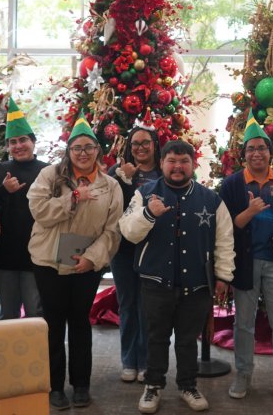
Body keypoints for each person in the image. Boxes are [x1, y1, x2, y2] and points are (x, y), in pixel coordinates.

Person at [120, 140, 236, 414]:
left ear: (193, 165)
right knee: (156, 337)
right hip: (155, 281)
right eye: (171, 160)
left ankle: (187, 385)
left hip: (196, 284)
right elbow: (127, 231)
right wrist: (149, 214)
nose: (177, 166)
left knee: (187, 340)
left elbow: (224, 239)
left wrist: (223, 275)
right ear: (162, 164)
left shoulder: (211, 199)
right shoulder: (143, 194)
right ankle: (153, 386)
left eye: (184, 161)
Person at [27, 118, 123, 411]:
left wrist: (92, 258)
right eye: (77, 148)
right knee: (53, 324)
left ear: (97, 150)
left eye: (89, 147)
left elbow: (113, 229)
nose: (83, 153)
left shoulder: (110, 186)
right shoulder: (49, 176)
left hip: (85, 265)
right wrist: (74, 197)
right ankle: (55, 387)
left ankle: (81, 385)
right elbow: (39, 211)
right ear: (68, 151)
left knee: (80, 323)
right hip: (48, 262)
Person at [219, 110, 273, 407]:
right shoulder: (231, 186)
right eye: (251, 148)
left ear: (270, 151)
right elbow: (225, 227)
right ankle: (243, 374)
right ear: (243, 154)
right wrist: (249, 212)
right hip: (245, 264)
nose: (257, 153)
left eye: (262, 147)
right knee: (243, 323)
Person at [0, 99, 46, 319]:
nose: (18, 146)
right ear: (7, 146)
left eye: (23, 140)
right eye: (13, 142)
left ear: (33, 142)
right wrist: (2, 190)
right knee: (7, 314)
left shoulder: (48, 171)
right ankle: (6, 355)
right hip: (3, 256)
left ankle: (35, 355)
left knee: (34, 314)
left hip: (37, 255)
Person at [109, 123, 161, 383]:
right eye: (135, 144)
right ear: (129, 148)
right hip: (123, 250)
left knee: (148, 307)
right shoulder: (116, 173)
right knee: (128, 304)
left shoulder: (164, 172)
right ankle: (129, 360)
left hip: (154, 250)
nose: (140, 148)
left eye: (145, 143)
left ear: (154, 146)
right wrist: (123, 179)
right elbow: (113, 206)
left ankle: (146, 361)